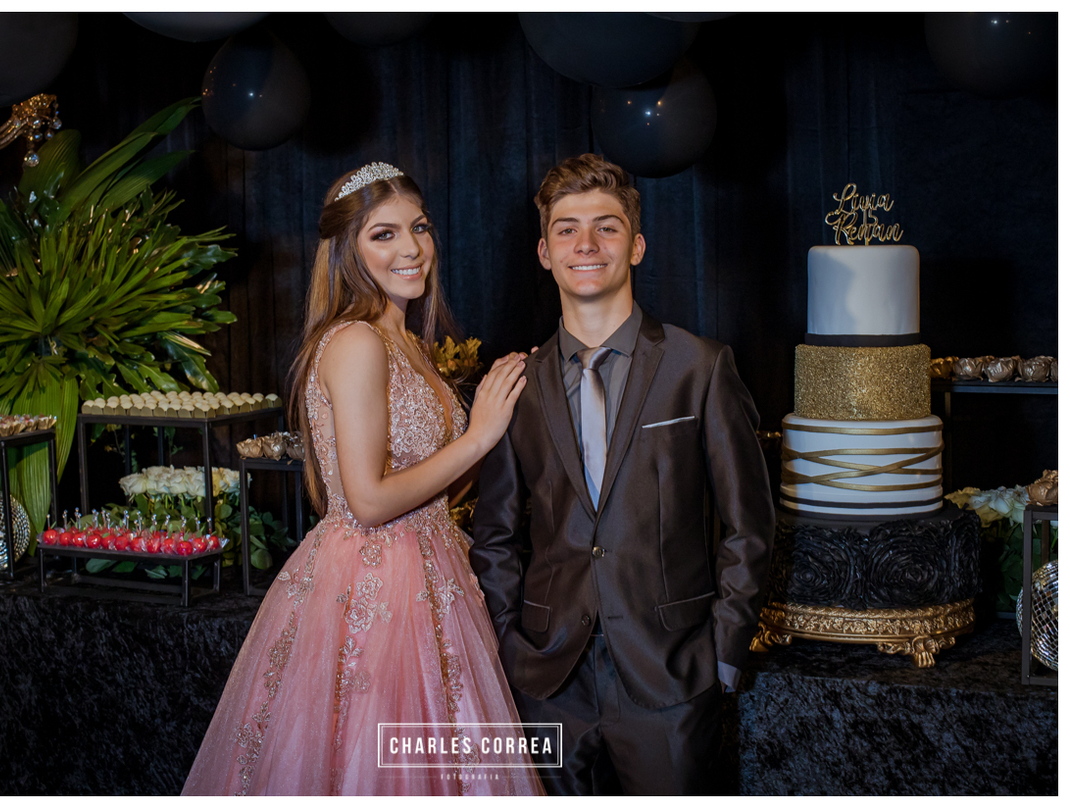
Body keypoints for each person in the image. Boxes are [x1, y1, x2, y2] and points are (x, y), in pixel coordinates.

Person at [182, 163, 543, 796]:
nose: (411, 248)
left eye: (419, 227)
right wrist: (479, 435)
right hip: (374, 588)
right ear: (348, 249)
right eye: (384, 234)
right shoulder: (356, 342)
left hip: (431, 574)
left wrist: (505, 409)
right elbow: (369, 501)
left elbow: (435, 493)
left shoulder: (408, 344)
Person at [471, 153, 775, 795]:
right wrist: (508, 647)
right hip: (548, 679)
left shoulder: (700, 367)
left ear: (635, 246)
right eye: (567, 229)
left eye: (606, 227)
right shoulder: (514, 386)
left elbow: (750, 526)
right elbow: (494, 535)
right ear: (545, 252)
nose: (586, 244)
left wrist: (722, 654)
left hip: (671, 674)